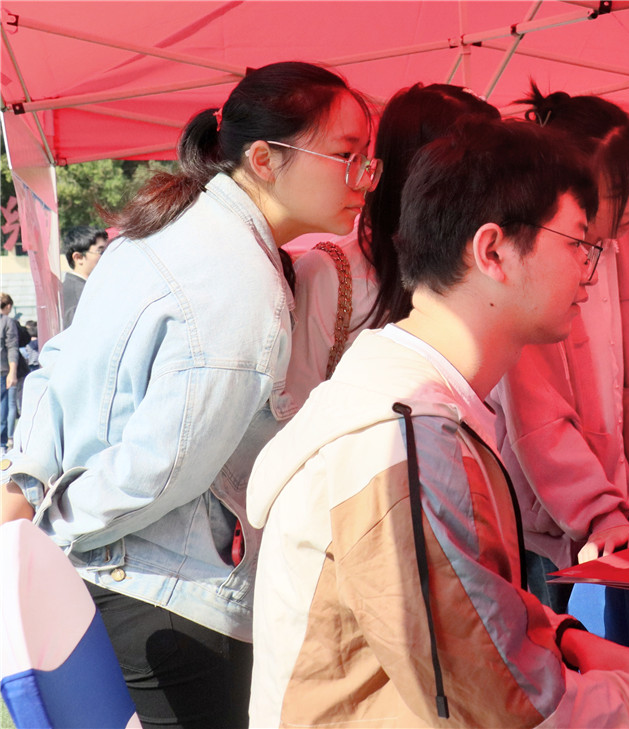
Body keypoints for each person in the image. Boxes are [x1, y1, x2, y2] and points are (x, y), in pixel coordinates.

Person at [246, 118, 629, 728]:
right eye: (577, 243)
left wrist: (571, 640)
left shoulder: (413, 400)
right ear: (492, 251)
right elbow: (507, 708)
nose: (589, 271)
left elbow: (471, 612)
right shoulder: (409, 441)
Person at [1, 61, 375, 728]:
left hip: (110, 575)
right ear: (265, 159)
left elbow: (58, 363)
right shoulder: (241, 282)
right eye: (346, 155)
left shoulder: (162, 229)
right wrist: (54, 520)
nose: (363, 178)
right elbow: (164, 467)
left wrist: (29, 488)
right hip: (167, 596)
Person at [492, 88, 629, 613]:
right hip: (559, 512)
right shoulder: (532, 263)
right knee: (566, 634)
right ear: (573, 185)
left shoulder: (626, 239)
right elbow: (538, 421)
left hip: (624, 483)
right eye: (622, 186)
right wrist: (596, 511)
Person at [285, 83, 499, 410]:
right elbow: (295, 409)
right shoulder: (331, 273)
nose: (492, 185)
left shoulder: (483, 267)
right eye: (476, 167)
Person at [59, 225, 109, 328]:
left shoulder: (86, 288)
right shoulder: (78, 293)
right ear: (78, 258)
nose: (107, 256)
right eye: (100, 251)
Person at [0, 294, 18, 452]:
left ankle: (1, 444)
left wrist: (12, 371)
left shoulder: (6, 322)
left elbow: (12, 346)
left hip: (2, 371)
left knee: (3, 409)